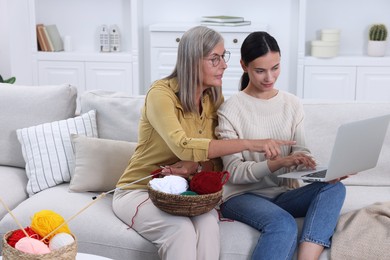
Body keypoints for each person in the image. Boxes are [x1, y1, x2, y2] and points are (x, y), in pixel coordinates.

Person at [112, 26, 295, 260]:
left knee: (209, 224)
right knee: (180, 231)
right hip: (139, 190)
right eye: (214, 59)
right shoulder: (161, 94)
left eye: (223, 56)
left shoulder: (213, 99)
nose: (224, 65)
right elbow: (183, 145)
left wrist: (196, 167)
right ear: (191, 61)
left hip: (188, 192)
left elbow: (217, 164)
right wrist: (250, 143)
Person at [215, 31, 347, 260]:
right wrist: (276, 164)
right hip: (241, 196)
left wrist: (320, 172)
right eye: (260, 70)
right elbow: (233, 172)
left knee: (334, 189)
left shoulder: (292, 104)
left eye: (275, 67)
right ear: (244, 65)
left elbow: (301, 152)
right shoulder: (230, 109)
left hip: (284, 194)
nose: (269, 77)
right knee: (283, 223)